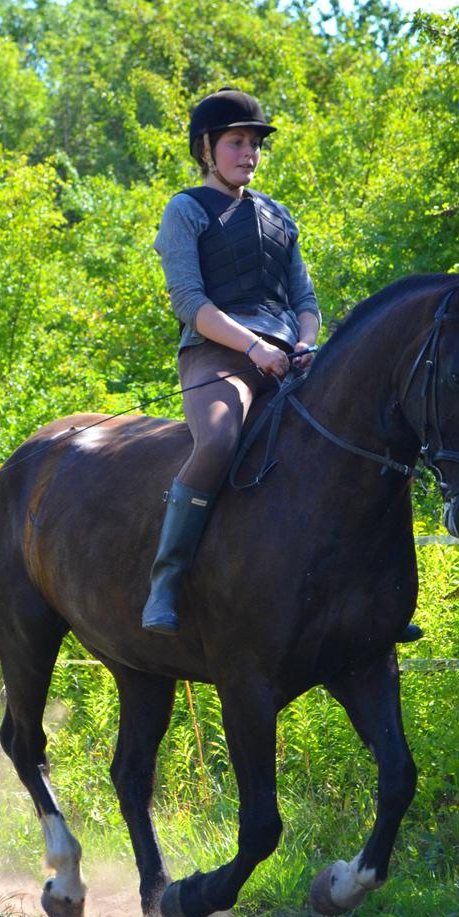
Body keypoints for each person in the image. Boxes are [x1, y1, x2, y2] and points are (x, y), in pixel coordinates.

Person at [142, 87, 320, 634]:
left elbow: (305, 301)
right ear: (206, 149)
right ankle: (167, 580)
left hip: (287, 358)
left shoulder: (278, 215)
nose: (249, 153)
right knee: (218, 440)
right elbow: (189, 303)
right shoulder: (186, 209)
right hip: (217, 357)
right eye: (236, 143)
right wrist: (254, 347)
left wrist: (304, 344)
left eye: (255, 144)